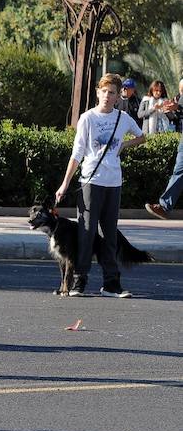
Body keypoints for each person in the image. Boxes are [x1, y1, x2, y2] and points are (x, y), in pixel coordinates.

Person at [56, 73, 145, 298]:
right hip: (90, 181)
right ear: (98, 93)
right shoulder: (88, 118)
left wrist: (124, 145)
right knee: (86, 232)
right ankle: (79, 280)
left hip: (113, 182)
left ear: (118, 96)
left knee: (109, 234)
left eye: (112, 92)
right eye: (104, 91)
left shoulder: (123, 118)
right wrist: (65, 183)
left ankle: (111, 283)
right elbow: (77, 153)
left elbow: (142, 136)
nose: (107, 96)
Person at [145, 77, 183, 219]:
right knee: (179, 171)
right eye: (181, 90)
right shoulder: (179, 98)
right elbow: (176, 117)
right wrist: (170, 109)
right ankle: (165, 206)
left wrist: (178, 107)